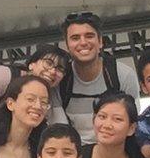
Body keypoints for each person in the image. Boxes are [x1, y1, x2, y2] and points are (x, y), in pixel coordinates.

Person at [59, 12, 141, 143]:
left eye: (89, 36)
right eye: (75, 38)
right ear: (67, 46)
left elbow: (132, 122)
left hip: (115, 150)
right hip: (74, 154)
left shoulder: (122, 75)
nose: (83, 42)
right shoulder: (60, 78)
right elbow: (58, 129)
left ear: (100, 41)